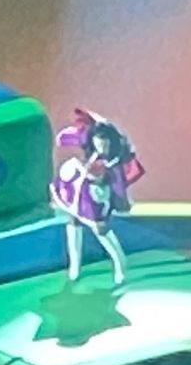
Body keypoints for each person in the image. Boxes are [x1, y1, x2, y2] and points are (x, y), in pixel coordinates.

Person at [51, 109, 144, 286]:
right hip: (81, 194)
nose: (101, 148)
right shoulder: (92, 152)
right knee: (73, 222)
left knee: (101, 230)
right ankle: (75, 266)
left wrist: (100, 179)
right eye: (98, 144)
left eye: (104, 145)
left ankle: (120, 265)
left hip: (99, 199)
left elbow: (114, 184)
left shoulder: (114, 162)